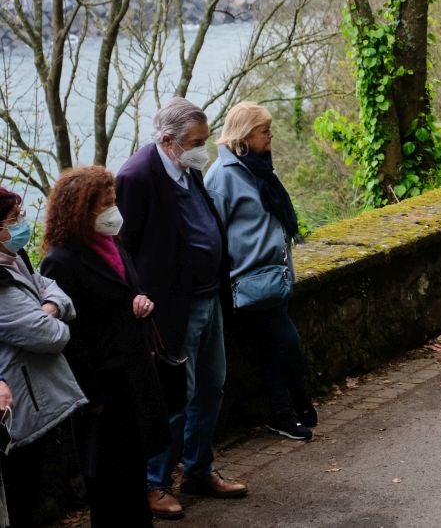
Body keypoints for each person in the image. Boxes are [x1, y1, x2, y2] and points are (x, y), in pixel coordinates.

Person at [116, 97, 247, 516]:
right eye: (196, 141)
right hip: (172, 309)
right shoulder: (137, 177)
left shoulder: (187, 170)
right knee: (174, 396)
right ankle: (154, 481)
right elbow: (123, 248)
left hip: (209, 297)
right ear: (168, 140)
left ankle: (198, 469)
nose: (202, 148)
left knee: (211, 387)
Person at [41, 167, 169, 526]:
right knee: (108, 483)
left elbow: (124, 293)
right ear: (83, 210)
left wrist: (139, 302)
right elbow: (69, 335)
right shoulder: (61, 262)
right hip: (102, 389)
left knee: (133, 475)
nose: (115, 210)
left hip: (133, 377)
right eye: (106, 204)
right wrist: (92, 396)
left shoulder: (113, 245)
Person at [204, 102, 316, 443]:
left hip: (276, 275)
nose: (270, 137)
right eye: (263, 131)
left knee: (274, 347)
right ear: (244, 136)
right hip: (247, 280)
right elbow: (214, 235)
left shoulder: (260, 168)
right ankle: (291, 406)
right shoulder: (221, 178)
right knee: (285, 342)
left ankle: (286, 411)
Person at [0, 188, 86, 528]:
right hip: (16, 410)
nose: (22, 225)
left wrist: (50, 307)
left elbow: (47, 284)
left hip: (32, 400)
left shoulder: (14, 258)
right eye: (12, 220)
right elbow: (49, 336)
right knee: (18, 497)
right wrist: (57, 319)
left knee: (28, 493)